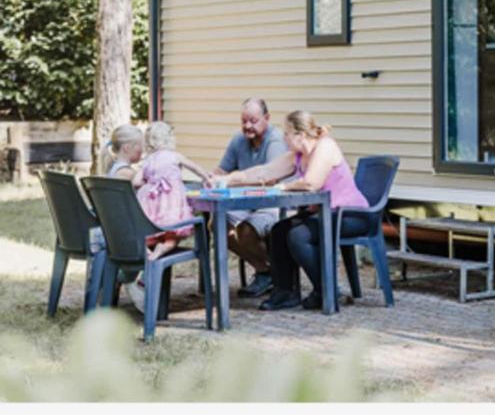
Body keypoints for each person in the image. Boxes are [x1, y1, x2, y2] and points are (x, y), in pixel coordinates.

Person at [220, 110, 367, 311]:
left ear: (300, 135)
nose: (284, 139)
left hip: (351, 215)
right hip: (323, 214)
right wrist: (227, 179)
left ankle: (327, 290)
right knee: (279, 231)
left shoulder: (325, 146)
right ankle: (285, 293)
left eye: (287, 134)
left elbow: (311, 183)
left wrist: (284, 186)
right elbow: (265, 171)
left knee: (298, 235)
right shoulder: (298, 156)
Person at [125, 121, 211, 310]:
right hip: (171, 208)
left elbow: (136, 182)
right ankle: (162, 250)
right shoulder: (174, 156)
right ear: (170, 139)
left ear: (149, 142)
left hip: (151, 208)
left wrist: (150, 183)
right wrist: (207, 178)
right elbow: (195, 168)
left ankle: (147, 252)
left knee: (150, 234)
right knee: (173, 235)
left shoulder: (148, 161)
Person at [208, 98, 288, 298]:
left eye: (253, 121)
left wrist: (231, 181)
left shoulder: (275, 140)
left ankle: (279, 274)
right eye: (244, 121)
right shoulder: (239, 140)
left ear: (267, 118)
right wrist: (211, 178)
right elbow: (222, 170)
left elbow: (270, 178)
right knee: (217, 224)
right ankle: (267, 271)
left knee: (246, 230)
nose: (247, 126)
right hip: (246, 203)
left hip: (274, 203)